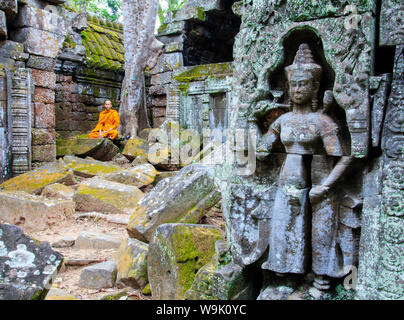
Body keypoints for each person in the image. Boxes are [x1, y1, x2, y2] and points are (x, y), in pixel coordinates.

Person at [256, 43, 353, 289]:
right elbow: (262, 149)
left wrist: (326, 187)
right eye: (294, 84)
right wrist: (252, 125)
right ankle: (287, 277)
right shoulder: (284, 120)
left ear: (315, 87)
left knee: (320, 236)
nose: (298, 89)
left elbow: (345, 157)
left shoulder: (323, 121)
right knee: (286, 232)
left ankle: (321, 281)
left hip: (320, 187)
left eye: (303, 84)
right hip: (287, 185)